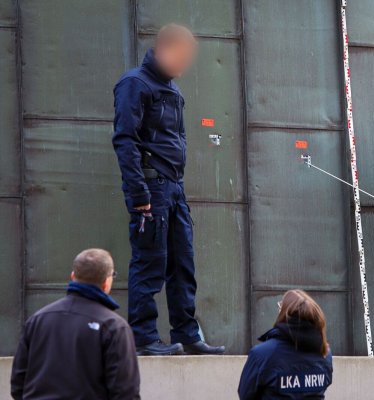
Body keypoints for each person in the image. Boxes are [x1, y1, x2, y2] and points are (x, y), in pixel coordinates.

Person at [112, 24, 224, 355]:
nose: (184, 64)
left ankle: (187, 334)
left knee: (183, 263)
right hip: (151, 187)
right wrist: (139, 195)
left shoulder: (173, 90)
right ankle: (144, 338)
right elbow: (125, 141)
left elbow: (179, 138)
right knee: (150, 262)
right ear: (163, 49)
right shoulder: (134, 84)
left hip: (174, 187)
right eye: (181, 55)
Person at [11, 249, 140, 400]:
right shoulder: (114, 327)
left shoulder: (37, 320)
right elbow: (126, 393)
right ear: (106, 282)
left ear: (73, 276)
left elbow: (18, 385)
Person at [238, 290, 333, 399]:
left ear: (284, 314)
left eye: (280, 307)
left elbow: (245, 394)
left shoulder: (262, 354)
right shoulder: (325, 353)